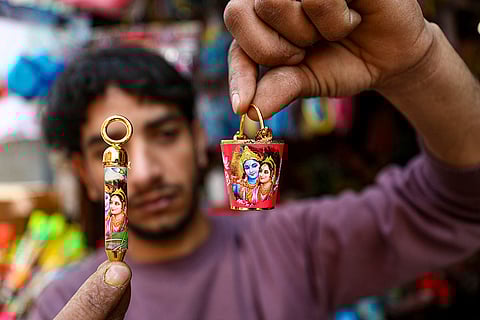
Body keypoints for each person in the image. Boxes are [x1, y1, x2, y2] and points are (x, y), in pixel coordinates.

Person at [28, 1, 480, 320]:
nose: (144, 173)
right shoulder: (61, 307)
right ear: (84, 173)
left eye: (165, 134)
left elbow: (458, 204)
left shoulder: (292, 243)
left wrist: (418, 63)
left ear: (198, 134)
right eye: (111, 156)